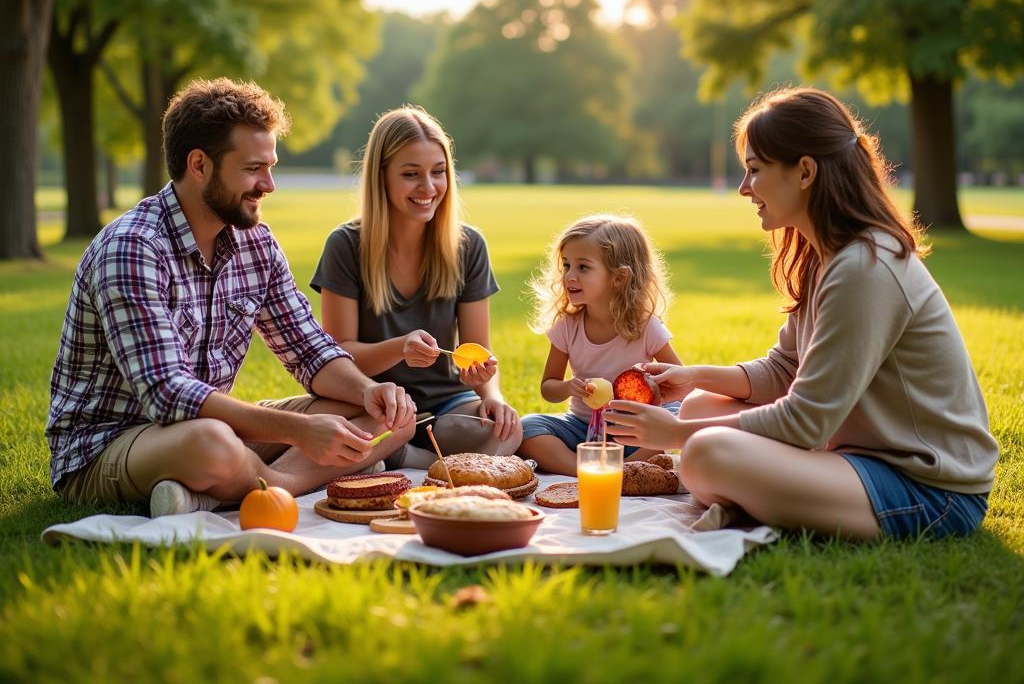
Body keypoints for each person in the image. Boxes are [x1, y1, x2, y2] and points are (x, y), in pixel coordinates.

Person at [605, 86, 999, 541]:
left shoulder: (864, 267)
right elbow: (785, 368)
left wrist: (675, 435)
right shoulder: (826, 257)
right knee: (699, 407)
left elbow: (806, 420)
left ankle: (747, 497)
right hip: (861, 458)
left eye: (755, 170)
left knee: (704, 451)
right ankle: (751, 496)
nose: (743, 188)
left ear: (805, 171)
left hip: (930, 488)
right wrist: (695, 377)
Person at [47, 79, 416, 518]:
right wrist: (300, 432)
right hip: (108, 443)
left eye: (271, 166)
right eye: (254, 168)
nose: (269, 184)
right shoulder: (133, 247)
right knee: (211, 444)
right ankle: (278, 482)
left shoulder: (254, 242)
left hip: (207, 425)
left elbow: (310, 349)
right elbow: (167, 394)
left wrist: (370, 390)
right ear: (200, 165)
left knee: (394, 416)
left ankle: (244, 489)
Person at [312, 106, 521, 468]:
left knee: (507, 431)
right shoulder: (346, 245)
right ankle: (423, 459)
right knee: (350, 429)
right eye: (411, 174)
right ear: (382, 177)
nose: (428, 188)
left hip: (447, 405)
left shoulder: (468, 246)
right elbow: (337, 353)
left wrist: (491, 393)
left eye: (438, 173)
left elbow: (477, 351)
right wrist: (399, 349)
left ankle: (408, 459)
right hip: (376, 405)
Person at [518, 214, 683, 475]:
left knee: (681, 414)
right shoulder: (567, 325)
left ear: (618, 278)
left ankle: (624, 468)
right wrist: (568, 387)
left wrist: (651, 392)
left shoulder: (645, 326)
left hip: (635, 431)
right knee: (527, 427)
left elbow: (682, 382)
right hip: (582, 428)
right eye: (566, 265)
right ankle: (584, 469)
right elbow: (548, 388)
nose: (570, 276)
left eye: (583, 267)